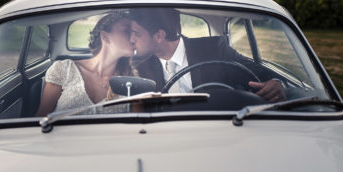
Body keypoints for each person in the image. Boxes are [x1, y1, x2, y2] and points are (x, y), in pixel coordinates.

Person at [129, 8, 285, 103]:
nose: (131, 39)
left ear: (159, 36)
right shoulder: (140, 68)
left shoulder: (215, 50)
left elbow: (264, 76)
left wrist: (277, 84)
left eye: (136, 33)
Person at [36, 12, 134, 116]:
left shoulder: (131, 79)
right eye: (127, 31)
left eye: (134, 32)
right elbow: (41, 118)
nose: (133, 38)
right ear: (104, 36)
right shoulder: (63, 69)